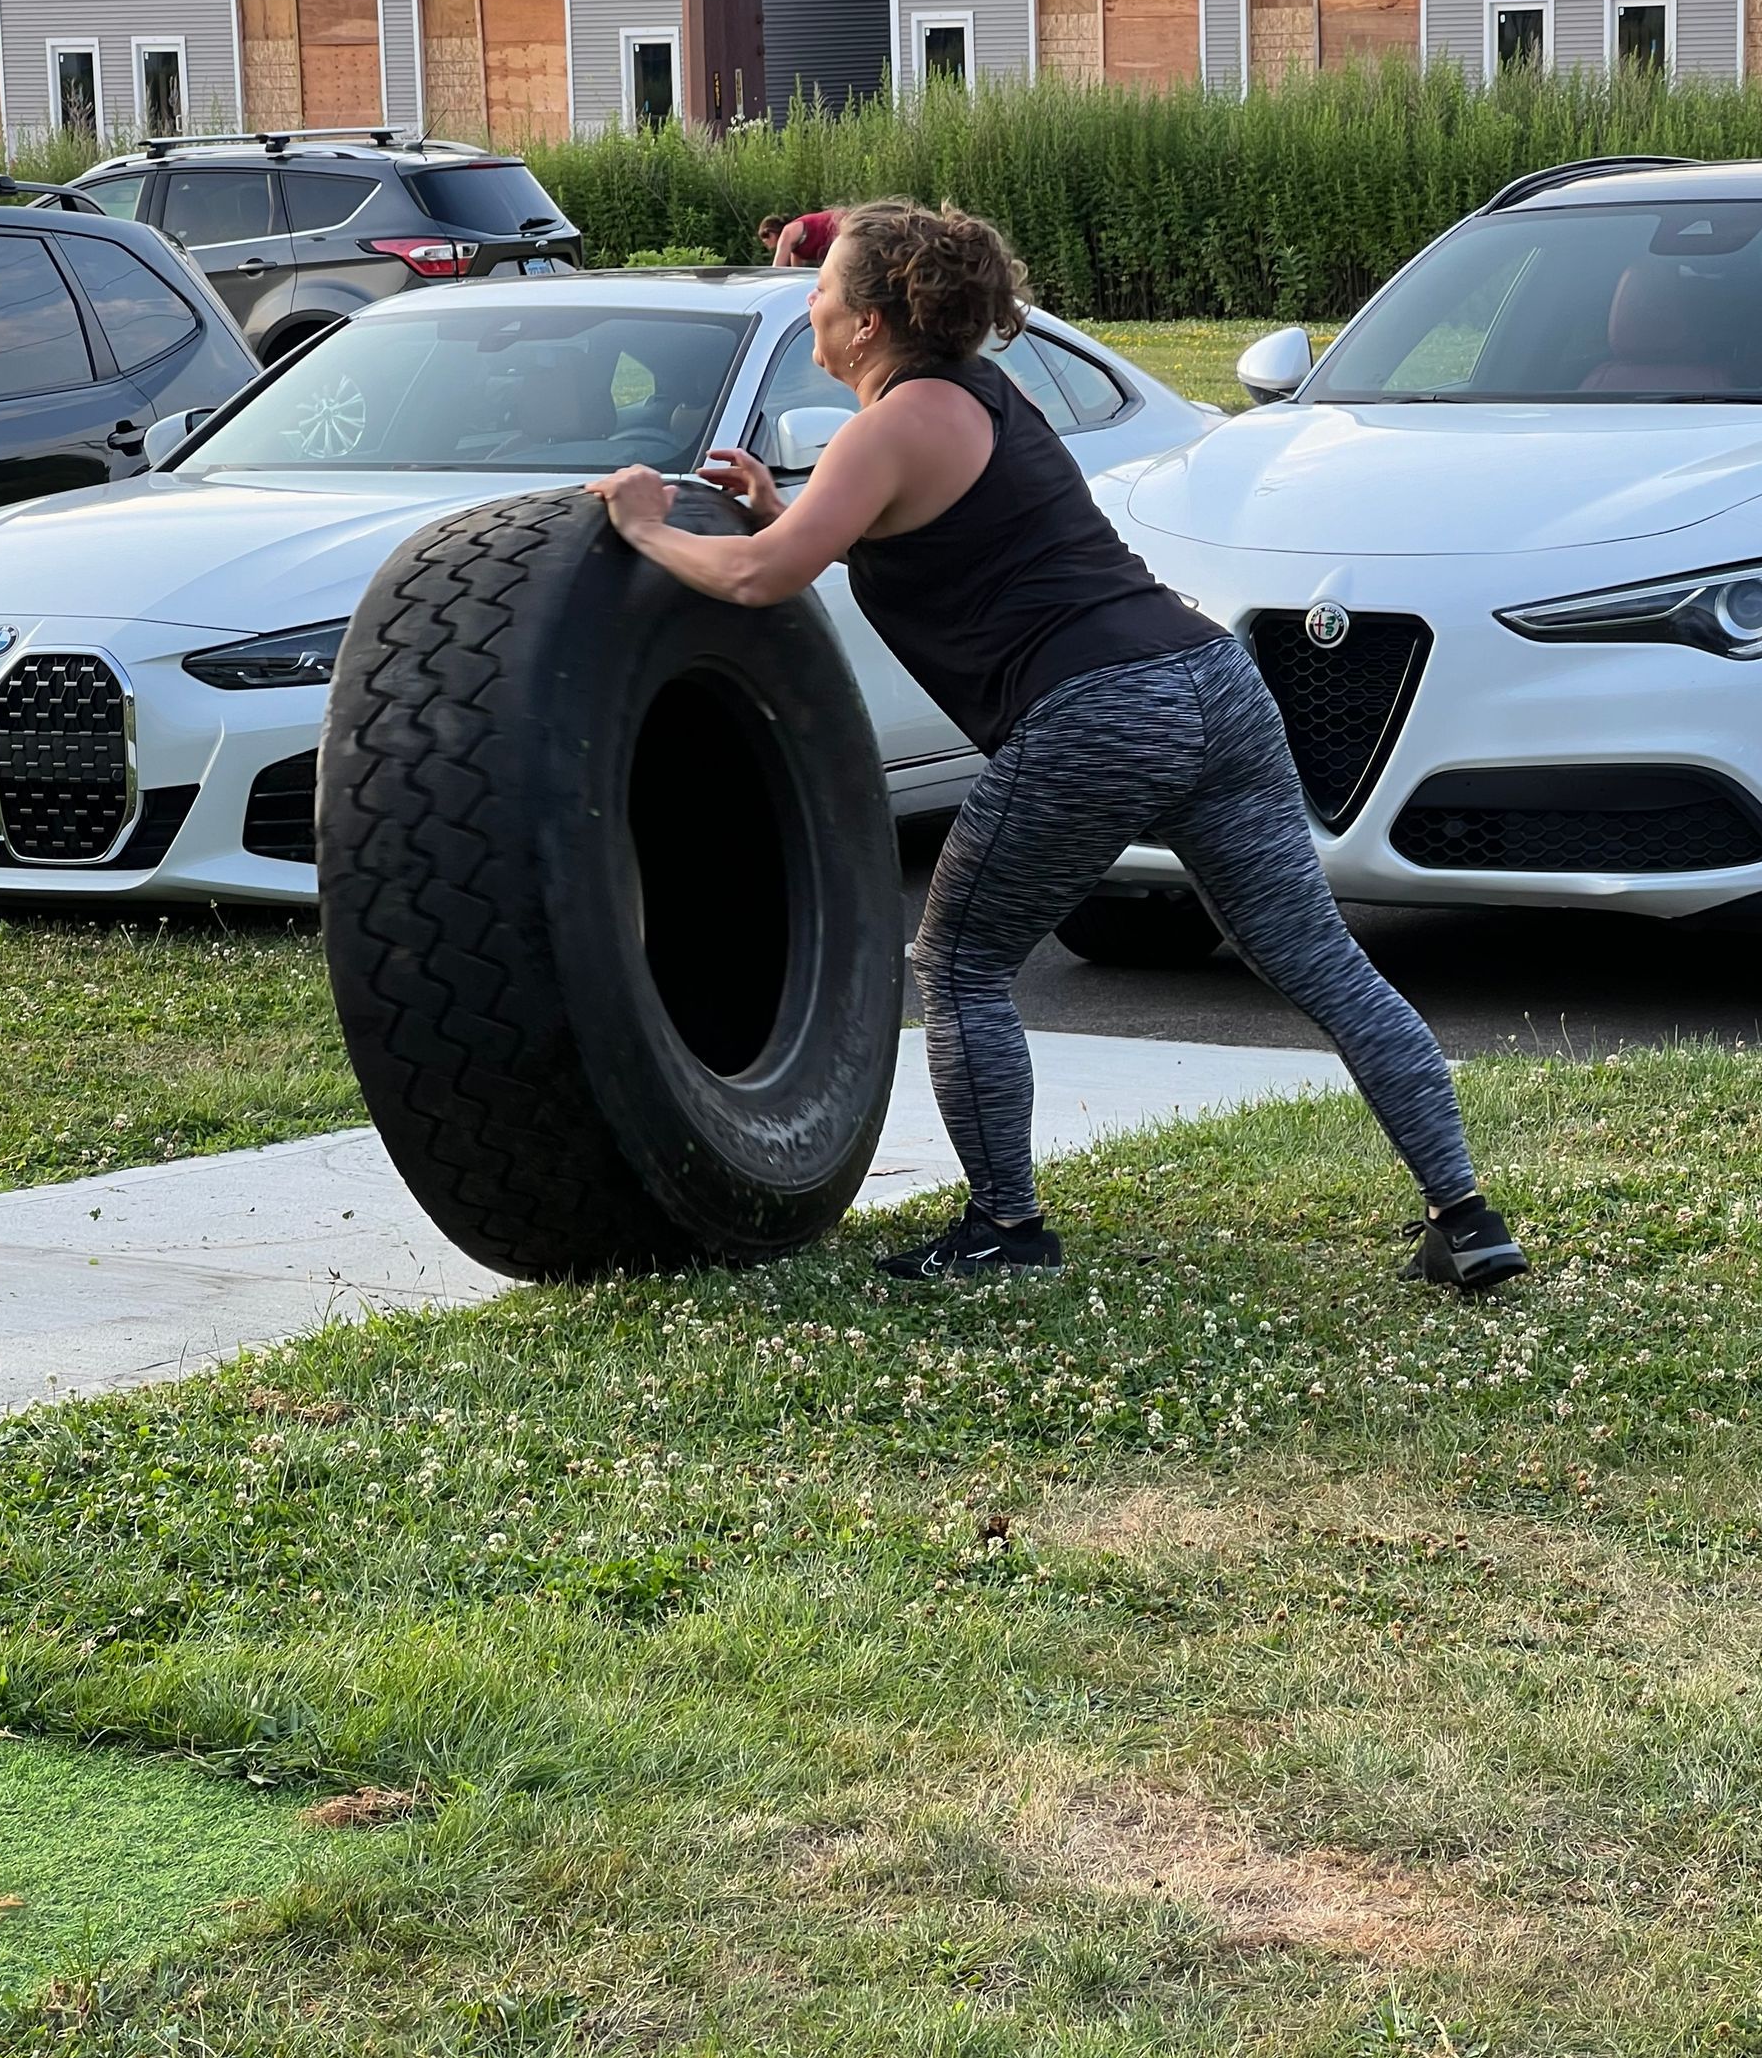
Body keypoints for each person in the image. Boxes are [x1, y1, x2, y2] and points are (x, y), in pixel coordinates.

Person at [588, 200, 1527, 1292]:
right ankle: (1465, 1215)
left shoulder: (885, 428)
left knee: (958, 961)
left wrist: (647, 522)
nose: (812, 307)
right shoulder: (990, 392)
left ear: (876, 320)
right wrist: (779, 500)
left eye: (826, 293)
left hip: (1098, 713)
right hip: (1213, 684)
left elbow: (760, 578)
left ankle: (1006, 1229)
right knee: (1322, 961)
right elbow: (932, 541)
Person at [758, 208, 840, 268]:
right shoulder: (796, 250)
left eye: (764, 238)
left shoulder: (788, 232)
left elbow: (777, 269)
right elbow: (797, 272)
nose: (765, 244)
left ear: (771, 233)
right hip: (837, 236)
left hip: (840, 225)